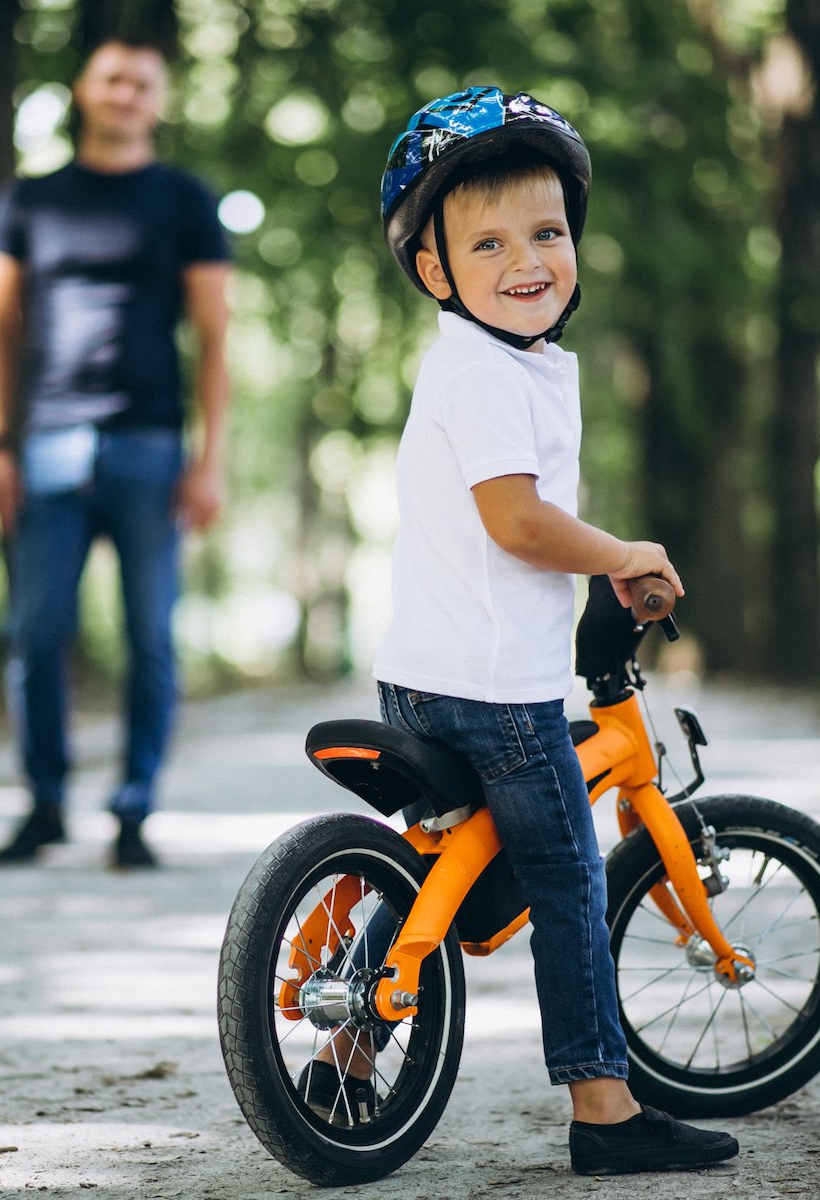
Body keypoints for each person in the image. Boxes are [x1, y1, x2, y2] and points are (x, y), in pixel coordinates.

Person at [313, 86, 740, 1176]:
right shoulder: (488, 371)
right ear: (436, 272)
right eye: (488, 242)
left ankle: (349, 1058)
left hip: (427, 674)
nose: (526, 260)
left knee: (440, 874)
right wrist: (624, 555)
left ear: (575, 245)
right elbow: (518, 524)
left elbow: (499, 540)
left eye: (547, 233)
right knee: (568, 886)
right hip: (497, 696)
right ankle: (605, 1108)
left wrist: (589, 587)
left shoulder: (505, 363)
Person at [0, 36, 231, 870]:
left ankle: (132, 809)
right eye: (112, 78)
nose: (126, 93)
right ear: (85, 90)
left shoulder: (186, 200)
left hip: (151, 447)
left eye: (142, 82)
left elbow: (216, 337)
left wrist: (210, 457)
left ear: (159, 101)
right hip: (46, 445)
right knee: (36, 632)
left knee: (151, 637)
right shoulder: (29, 201)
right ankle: (45, 802)